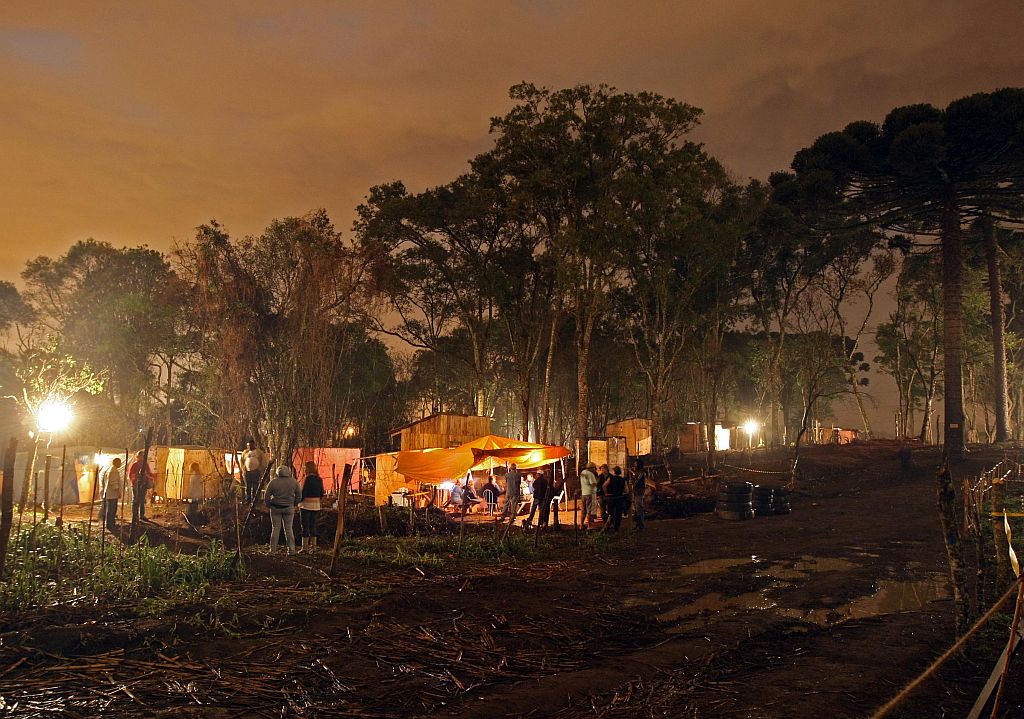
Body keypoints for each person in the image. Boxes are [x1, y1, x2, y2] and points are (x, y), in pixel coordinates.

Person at [265, 465, 301, 554]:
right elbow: (299, 495)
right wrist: (294, 504)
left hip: (275, 508)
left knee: (275, 529)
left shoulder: (273, 482)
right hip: (289, 508)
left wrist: (269, 504)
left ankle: (272, 550)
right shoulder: (294, 482)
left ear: (278, 472)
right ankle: (291, 550)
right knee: (289, 529)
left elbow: (266, 495)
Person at [299, 461, 324, 553]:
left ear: (308, 469)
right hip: (316, 505)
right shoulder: (319, 479)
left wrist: (298, 501)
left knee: (305, 526)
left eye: (305, 468)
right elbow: (322, 493)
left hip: (306, 505)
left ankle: (304, 547)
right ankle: (314, 547)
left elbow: (303, 493)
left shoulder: (308, 479)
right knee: (313, 526)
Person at [127, 450, 155, 523]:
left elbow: (149, 474)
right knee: (135, 500)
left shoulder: (145, 465)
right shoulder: (135, 465)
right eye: (141, 456)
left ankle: (141, 515)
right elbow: (131, 475)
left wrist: (151, 476)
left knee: (142, 500)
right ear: (138, 457)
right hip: (136, 485)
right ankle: (135, 515)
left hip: (144, 484)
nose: (142, 457)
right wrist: (135, 479)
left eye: (143, 456)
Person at [99, 457, 124, 533]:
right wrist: (118, 491)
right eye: (119, 463)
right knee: (112, 510)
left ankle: (110, 523)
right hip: (112, 493)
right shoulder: (113, 470)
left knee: (111, 509)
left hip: (110, 493)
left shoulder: (110, 469)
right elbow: (114, 482)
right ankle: (110, 524)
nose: (120, 464)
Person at [603, 466, 627, 533]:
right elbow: (626, 490)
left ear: (614, 471)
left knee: (611, 513)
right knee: (618, 514)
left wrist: (606, 493)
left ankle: (608, 527)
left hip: (612, 498)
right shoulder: (622, 479)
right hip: (620, 498)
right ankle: (617, 528)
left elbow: (604, 486)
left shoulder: (611, 478)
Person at [579, 462, 599, 529]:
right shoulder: (590, 474)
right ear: (591, 468)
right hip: (590, 493)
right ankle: (589, 526)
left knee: (583, 510)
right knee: (589, 510)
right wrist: (597, 483)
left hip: (583, 493)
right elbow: (593, 484)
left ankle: (581, 525)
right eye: (594, 468)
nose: (595, 469)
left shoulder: (583, 472)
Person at [631, 459, 648, 531]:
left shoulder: (641, 472)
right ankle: (638, 524)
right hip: (636, 491)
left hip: (639, 492)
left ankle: (641, 526)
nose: (634, 465)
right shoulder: (638, 472)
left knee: (639, 509)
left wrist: (632, 485)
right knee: (636, 509)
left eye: (635, 464)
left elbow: (637, 480)